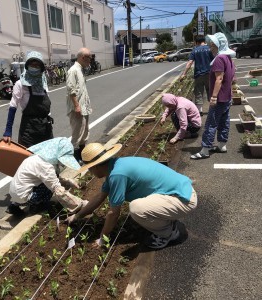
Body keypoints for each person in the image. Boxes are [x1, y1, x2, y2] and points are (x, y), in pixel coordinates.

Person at [66, 143, 197, 250]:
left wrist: (102, 238)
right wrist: (77, 216)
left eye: (89, 168)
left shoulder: (117, 175)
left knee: (136, 209)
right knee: (139, 209)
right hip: (177, 192)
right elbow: (99, 197)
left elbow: (113, 213)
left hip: (183, 199)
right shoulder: (116, 165)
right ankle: (165, 219)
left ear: (95, 167)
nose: (89, 172)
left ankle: (168, 234)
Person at [6, 137, 88, 215]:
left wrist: (67, 181)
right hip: (25, 196)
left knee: (48, 181)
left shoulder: (36, 158)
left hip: (15, 194)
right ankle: (37, 206)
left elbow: (49, 177)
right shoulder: (45, 166)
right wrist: (81, 203)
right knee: (50, 188)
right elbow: (58, 189)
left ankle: (14, 206)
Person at [191, 32, 235, 160]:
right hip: (227, 97)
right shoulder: (228, 58)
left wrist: (214, 97)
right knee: (224, 121)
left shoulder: (219, 59)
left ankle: (205, 149)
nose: (210, 48)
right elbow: (232, 77)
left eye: (212, 46)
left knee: (211, 123)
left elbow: (219, 78)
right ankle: (222, 145)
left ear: (218, 45)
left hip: (220, 98)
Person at [3, 51, 53, 148]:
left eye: (37, 65)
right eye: (32, 64)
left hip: (46, 128)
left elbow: (46, 105)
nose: (34, 67)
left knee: (47, 161)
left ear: (41, 68)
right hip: (29, 130)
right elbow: (13, 106)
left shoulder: (43, 82)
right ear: (27, 66)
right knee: (28, 160)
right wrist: (8, 131)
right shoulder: (20, 84)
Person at [66, 48, 92, 163]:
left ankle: (81, 155)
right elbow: (71, 90)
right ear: (83, 57)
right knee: (77, 133)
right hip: (77, 108)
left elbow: (82, 90)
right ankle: (75, 158)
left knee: (84, 132)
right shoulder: (73, 70)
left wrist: (86, 105)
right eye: (89, 58)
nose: (90, 60)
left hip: (83, 107)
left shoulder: (80, 69)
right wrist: (77, 106)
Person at [180, 36, 214, 115]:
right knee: (210, 91)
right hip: (209, 73)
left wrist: (184, 74)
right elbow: (214, 60)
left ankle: (200, 111)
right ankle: (212, 109)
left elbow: (190, 63)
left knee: (199, 92)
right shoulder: (209, 49)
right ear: (204, 41)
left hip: (199, 74)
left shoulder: (194, 51)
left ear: (196, 42)